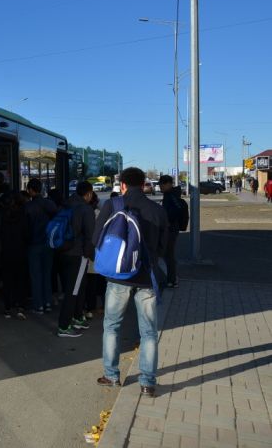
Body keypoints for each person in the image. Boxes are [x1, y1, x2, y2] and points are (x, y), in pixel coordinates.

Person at [94, 167, 168, 397]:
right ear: (144, 183)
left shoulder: (112, 205)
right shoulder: (157, 210)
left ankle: (112, 375)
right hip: (147, 279)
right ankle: (147, 382)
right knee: (148, 332)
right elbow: (165, 246)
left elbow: (97, 239)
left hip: (118, 278)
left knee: (112, 326)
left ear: (122, 185)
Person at [56, 181, 95, 337]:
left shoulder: (66, 204)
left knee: (76, 287)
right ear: (89, 193)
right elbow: (90, 235)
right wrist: (89, 255)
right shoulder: (86, 209)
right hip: (77, 254)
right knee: (73, 290)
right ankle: (64, 326)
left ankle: (78, 316)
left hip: (62, 251)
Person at [25, 179, 58, 314]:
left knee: (36, 275)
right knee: (46, 274)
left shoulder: (27, 207)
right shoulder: (50, 204)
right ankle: (48, 302)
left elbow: (25, 227)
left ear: (30, 190)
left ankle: (38, 305)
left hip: (33, 245)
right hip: (48, 244)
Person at [0, 191, 29, 319]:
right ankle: (20, 306)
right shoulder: (23, 216)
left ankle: (7, 308)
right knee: (20, 280)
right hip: (20, 252)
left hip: (5, 252)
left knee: (7, 281)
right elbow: (27, 235)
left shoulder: (1, 217)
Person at [159, 175, 183, 287]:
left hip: (171, 229)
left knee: (168, 254)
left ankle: (172, 280)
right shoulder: (169, 194)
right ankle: (171, 278)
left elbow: (177, 210)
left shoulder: (171, 195)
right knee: (166, 254)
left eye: (162, 184)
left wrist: (167, 220)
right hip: (170, 228)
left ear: (169, 183)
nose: (160, 186)